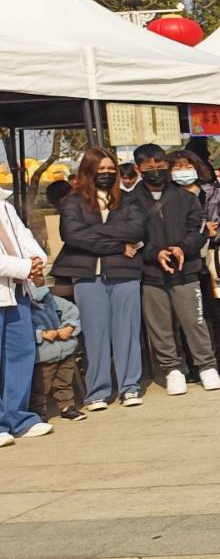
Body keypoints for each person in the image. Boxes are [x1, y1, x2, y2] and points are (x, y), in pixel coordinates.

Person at [55, 147, 146, 411]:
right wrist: (117, 245)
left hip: (124, 273)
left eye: (110, 169)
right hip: (87, 276)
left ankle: (130, 386)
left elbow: (138, 229)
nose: (105, 174)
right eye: (100, 169)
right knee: (95, 334)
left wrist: (95, 232)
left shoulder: (129, 200)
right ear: (88, 172)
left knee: (127, 332)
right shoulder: (73, 202)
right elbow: (73, 235)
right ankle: (97, 390)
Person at [132, 143, 220, 395]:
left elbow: (198, 231)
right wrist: (153, 252)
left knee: (194, 321)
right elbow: (131, 236)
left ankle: (206, 366)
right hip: (151, 273)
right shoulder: (130, 201)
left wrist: (183, 247)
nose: (156, 171)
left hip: (186, 269)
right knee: (160, 325)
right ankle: (172, 369)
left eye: (161, 166)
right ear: (139, 169)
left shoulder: (186, 197)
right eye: (149, 168)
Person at [170, 149, 220, 379]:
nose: (183, 172)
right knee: (189, 317)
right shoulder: (168, 197)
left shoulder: (217, 193)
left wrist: (214, 234)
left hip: (215, 261)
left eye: (186, 166)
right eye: (177, 168)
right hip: (184, 261)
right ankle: (194, 364)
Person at [0, 185, 50, 446]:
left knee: (20, 354)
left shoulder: (5, 205)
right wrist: (26, 267)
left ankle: (18, 418)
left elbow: (25, 237)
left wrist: (37, 260)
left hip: (17, 290)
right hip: (10, 281)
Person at [28, 282, 80, 425]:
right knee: (40, 386)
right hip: (43, 354)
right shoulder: (25, 307)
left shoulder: (54, 300)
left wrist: (69, 327)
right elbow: (24, 329)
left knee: (64, 382)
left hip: (65, 350)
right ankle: (38, 412)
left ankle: (67, 407)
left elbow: (72, 311)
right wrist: (41, 334)